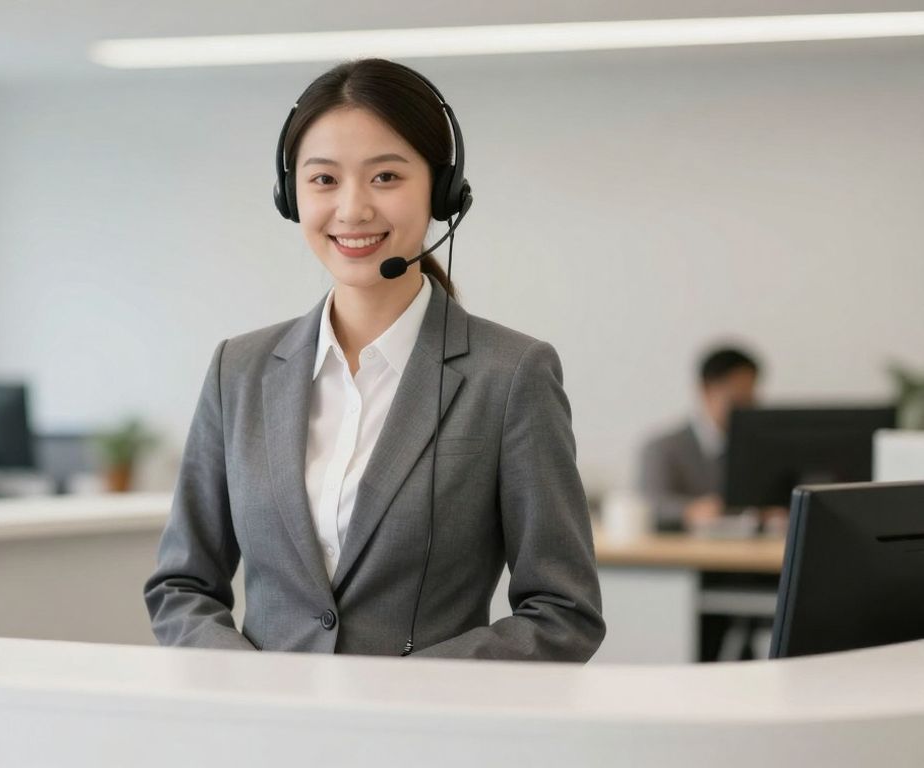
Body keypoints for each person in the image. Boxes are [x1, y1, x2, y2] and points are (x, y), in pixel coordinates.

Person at [143, 59, 604, 661]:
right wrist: (249, 684)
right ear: (291, 196)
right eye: (324, 180)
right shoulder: (240, 369)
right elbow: (181, 587)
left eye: (386, 177)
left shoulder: (511, 375)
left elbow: (563, 612)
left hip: (425, 738)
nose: (353, 209)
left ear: (441, 191)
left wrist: (404, 690)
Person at [638, 346, 763, 532]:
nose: (744, 412)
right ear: (706, 390)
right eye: (736, 402)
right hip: (686, 555)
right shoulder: (663, 448)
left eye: (749, 402)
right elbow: (651, 504)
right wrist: (690, 510)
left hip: (751, 554)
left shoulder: (759, 447)